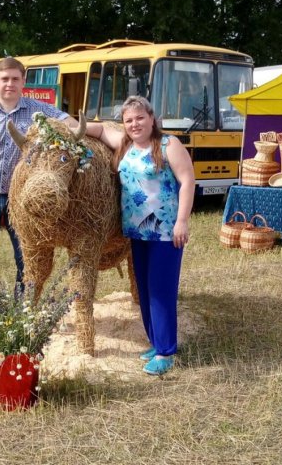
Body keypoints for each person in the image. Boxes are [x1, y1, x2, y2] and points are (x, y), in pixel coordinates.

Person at [0, 57, 75, 326]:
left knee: (26, 259)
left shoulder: (38, 111)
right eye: (5, 78)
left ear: (23, 82)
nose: (9, 83)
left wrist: (102, 130)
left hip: (20, 199)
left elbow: (67, 122)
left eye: (15, 79)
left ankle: (22, 312)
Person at [85, 96, 195, 376]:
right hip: (136, 231)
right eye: (129, 120)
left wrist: (182, 220)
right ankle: (156, 342)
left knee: (161, 291)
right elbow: (97, 130)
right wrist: (63, 124)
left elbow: (187, 180)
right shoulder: (125, 143)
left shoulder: (169, 145)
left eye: (140, 118)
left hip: (165, 232)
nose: (135, 124)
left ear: (152, 118)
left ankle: (166, 352)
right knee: (145, 290)